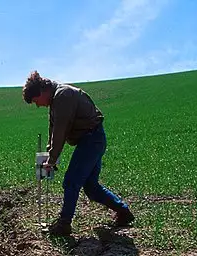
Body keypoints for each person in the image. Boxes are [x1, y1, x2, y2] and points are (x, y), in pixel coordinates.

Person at [23, 71, 134, 236]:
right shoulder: (55, 100)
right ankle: (124, 212)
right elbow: (53, 131)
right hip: (90, 140)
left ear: (41, 92)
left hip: (92, 139)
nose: (38, 105)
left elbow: (60, 130)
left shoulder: (63, 96)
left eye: (36, 101)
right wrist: (48, 156)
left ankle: (64, 224)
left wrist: (52, 160)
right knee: (91, 187)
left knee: (71, 181)